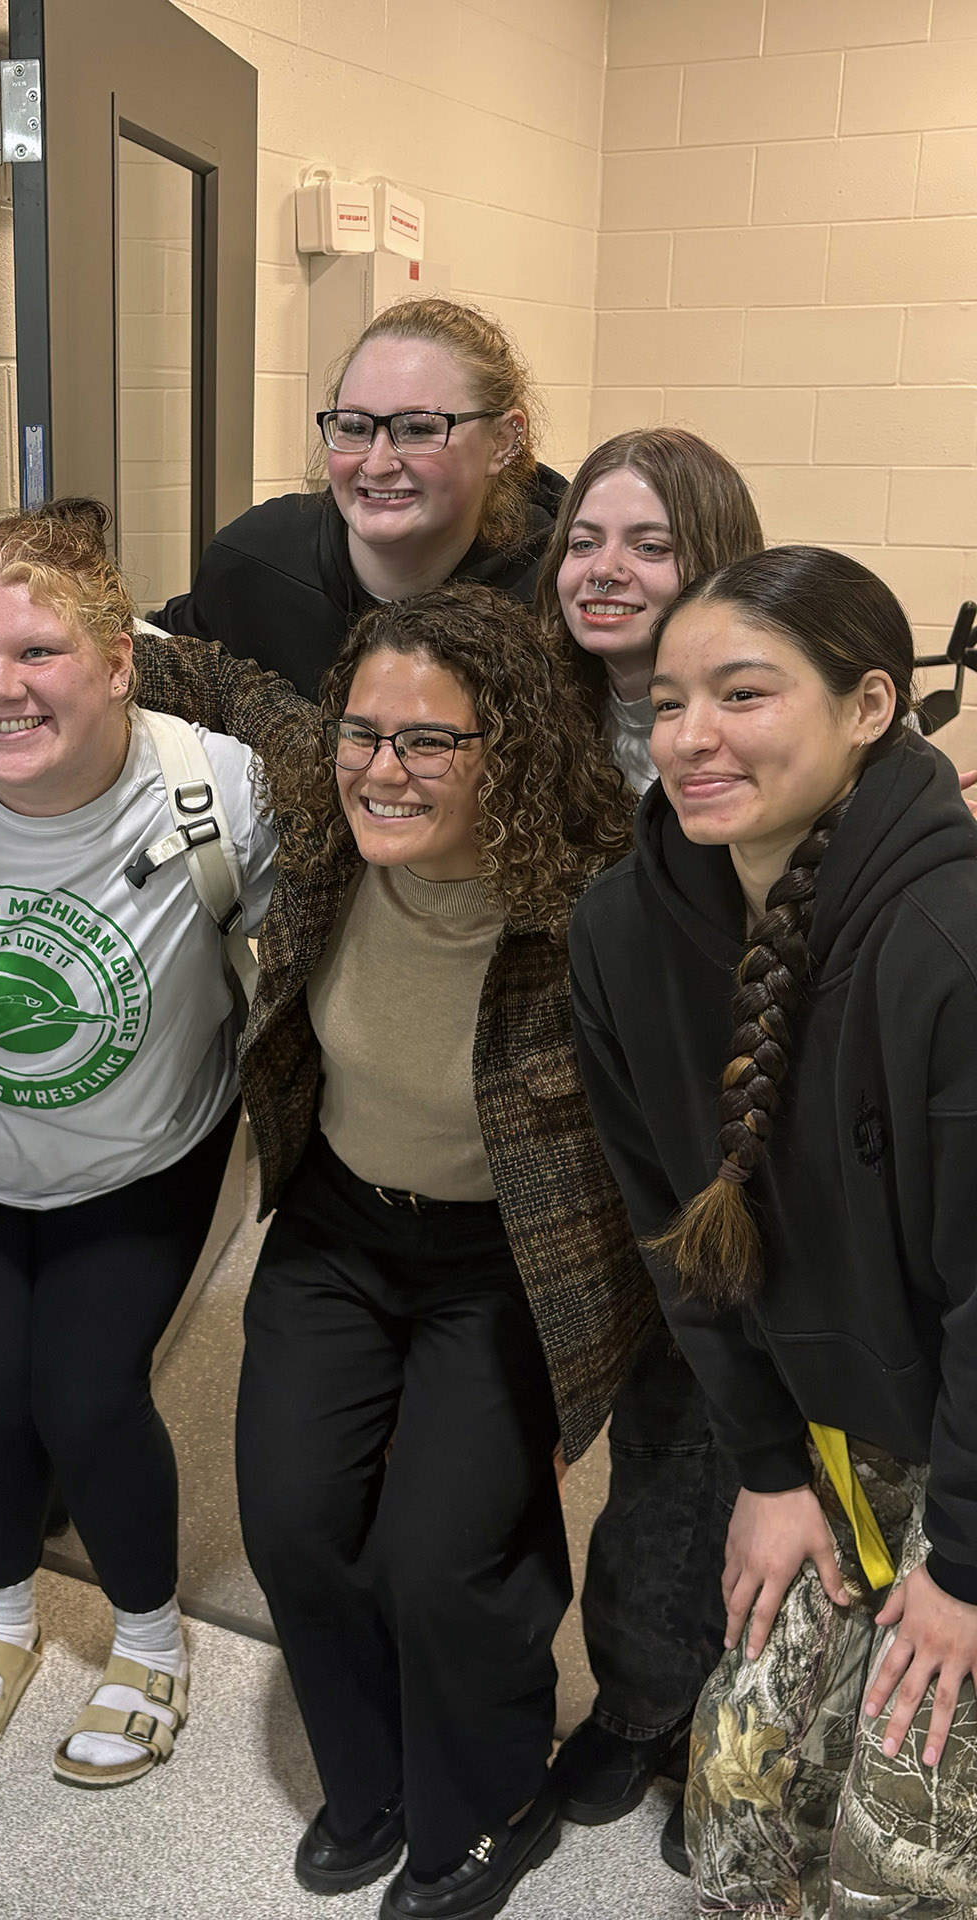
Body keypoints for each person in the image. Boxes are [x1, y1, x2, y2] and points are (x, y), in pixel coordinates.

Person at [116, 587, 655, 1917]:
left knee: (443, 1554)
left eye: (431, 742)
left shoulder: (600, 905)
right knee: (290, 1523)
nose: (384, 767)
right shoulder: (333, 798)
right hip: (342, 1228)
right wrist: (69, 642)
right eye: (367, 733)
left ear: (511, 753)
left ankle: (490, 1794)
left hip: (506, 1262)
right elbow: (235, 690)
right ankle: (368, 1778)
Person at [568, 546, 977, 1915]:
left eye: (743, 694)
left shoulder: (950, 938)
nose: (691, 738)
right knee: (742, 1796)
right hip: (829, 1426)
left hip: (969, 1444)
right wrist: (765, 1467)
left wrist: (962, 1568)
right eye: (671, 700)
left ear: (871, 707)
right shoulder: (626, 930)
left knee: (901, 1850)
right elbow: (672, 1230)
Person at [0, 499, 275, 1787]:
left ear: (122, 659)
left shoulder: (214, 786)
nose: (0, 687)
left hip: (142, 1158)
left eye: (40, 653)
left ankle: (148, 1640)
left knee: (85, 1395)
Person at [533, 429, 767, 1855]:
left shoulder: (756, 716)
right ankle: (633, 1702)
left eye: (651, 544)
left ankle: (718, 1733)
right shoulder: (524, 701)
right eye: (583, 540)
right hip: (563, 1147)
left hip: (720, 1146)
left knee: (728, 1441)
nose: (606, 571)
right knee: (634, 1450)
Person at [147, 297, 564, 698]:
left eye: (418, 429)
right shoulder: (255, 562)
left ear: (502, 440)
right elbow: (144, 665)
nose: (377, 464)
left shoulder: (558, 593)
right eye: (354, 427)